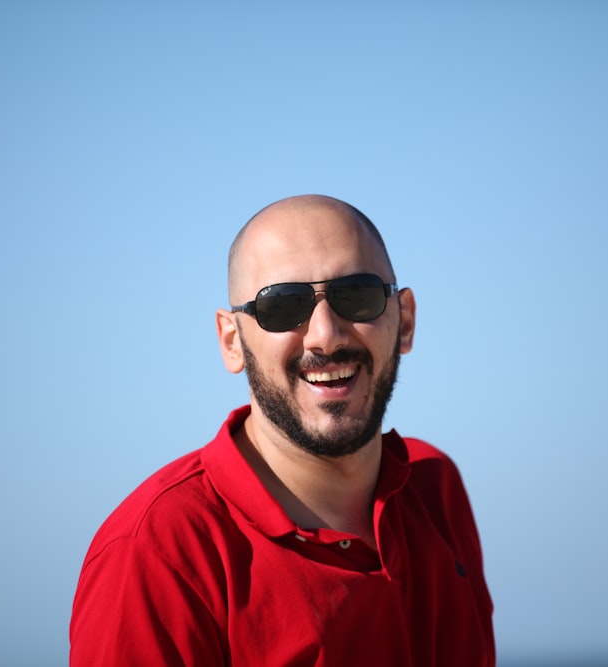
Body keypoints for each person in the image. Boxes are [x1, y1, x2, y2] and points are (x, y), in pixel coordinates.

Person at [69, 195, 495, 666]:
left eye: (357, 295)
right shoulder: (157, 554)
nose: (325, 334)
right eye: (282, 306)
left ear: (405, 321)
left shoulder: (434, 488)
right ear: (232, 342)